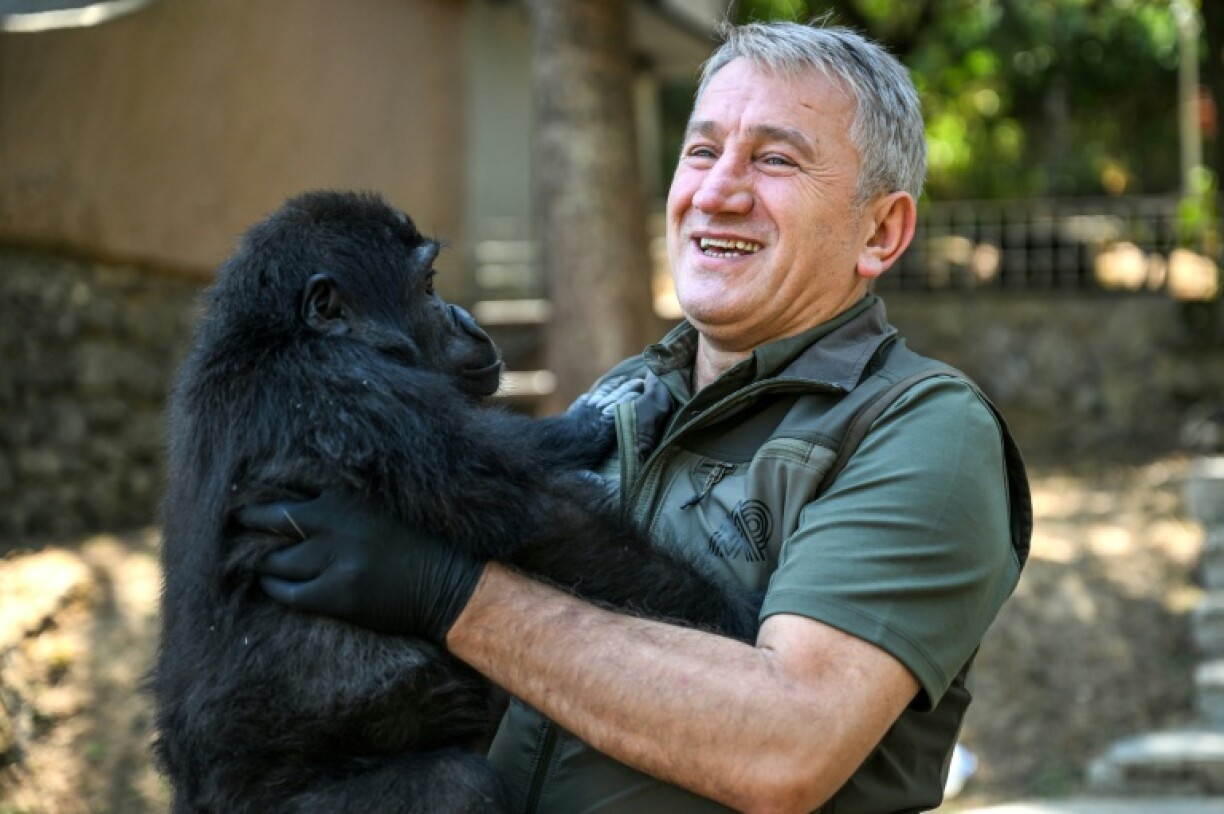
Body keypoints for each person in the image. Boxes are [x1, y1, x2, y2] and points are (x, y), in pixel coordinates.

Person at [245, 20, 1031, 814]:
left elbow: (786, 745)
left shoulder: (918, 430)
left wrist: (451, 597)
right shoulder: (623, 397)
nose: (717, 191)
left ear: (881, 232)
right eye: (702, 151)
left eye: (775, 159)